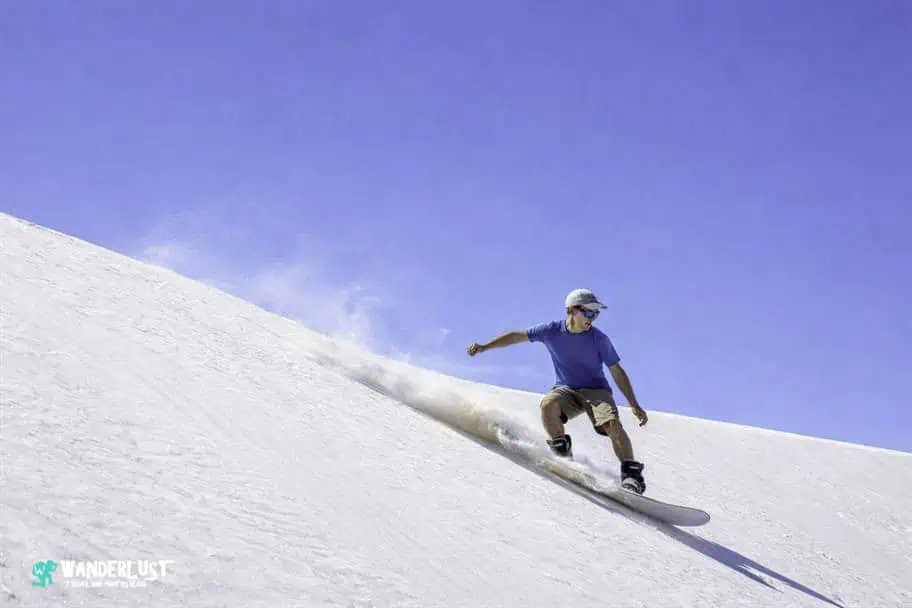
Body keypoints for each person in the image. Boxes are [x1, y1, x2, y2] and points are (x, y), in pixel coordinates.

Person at [467, 288, 649, 494]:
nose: (592, 318)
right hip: (566, 389)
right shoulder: (551, 331)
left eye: (596, 313)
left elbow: (616, 370)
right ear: (571, 310)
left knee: (612, 425)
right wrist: (485, 346)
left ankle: (632, 476)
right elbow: (517, 336)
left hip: (596, 391)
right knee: (547, 405)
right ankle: (563, 455)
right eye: (588, 312)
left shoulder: (599, 339)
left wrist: (634, 404)